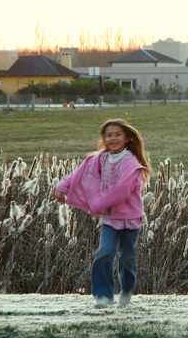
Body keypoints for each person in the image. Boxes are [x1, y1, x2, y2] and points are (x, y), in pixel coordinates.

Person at [53, 119, 151, 308]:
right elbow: (79, 174)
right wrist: (62, 187)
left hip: (131, 220)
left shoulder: (131, 163)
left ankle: (127, 290)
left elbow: (121, 190)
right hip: (110, 220)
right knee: (104, 253)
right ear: (104, 139)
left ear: (127, 138)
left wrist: (98, 204)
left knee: (127, 258)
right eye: (109, 135)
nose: (112, 138)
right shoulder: (100, 159)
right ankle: (104, 295)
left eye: (117, 134)